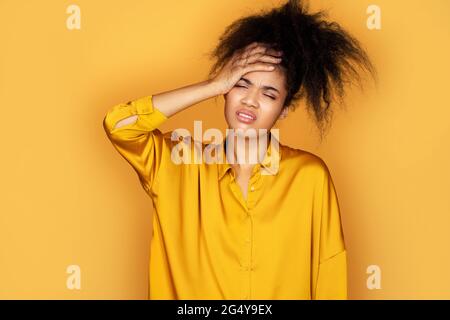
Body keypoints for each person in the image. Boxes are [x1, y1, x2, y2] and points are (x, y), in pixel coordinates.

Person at [103, 0, 376, 300]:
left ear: (284, 110)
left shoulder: (310, 177)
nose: (250, 100)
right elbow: (119, 125)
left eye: (269, 94)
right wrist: (212, 84)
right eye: (241, 84)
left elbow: (329, 277)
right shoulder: (176, 163)